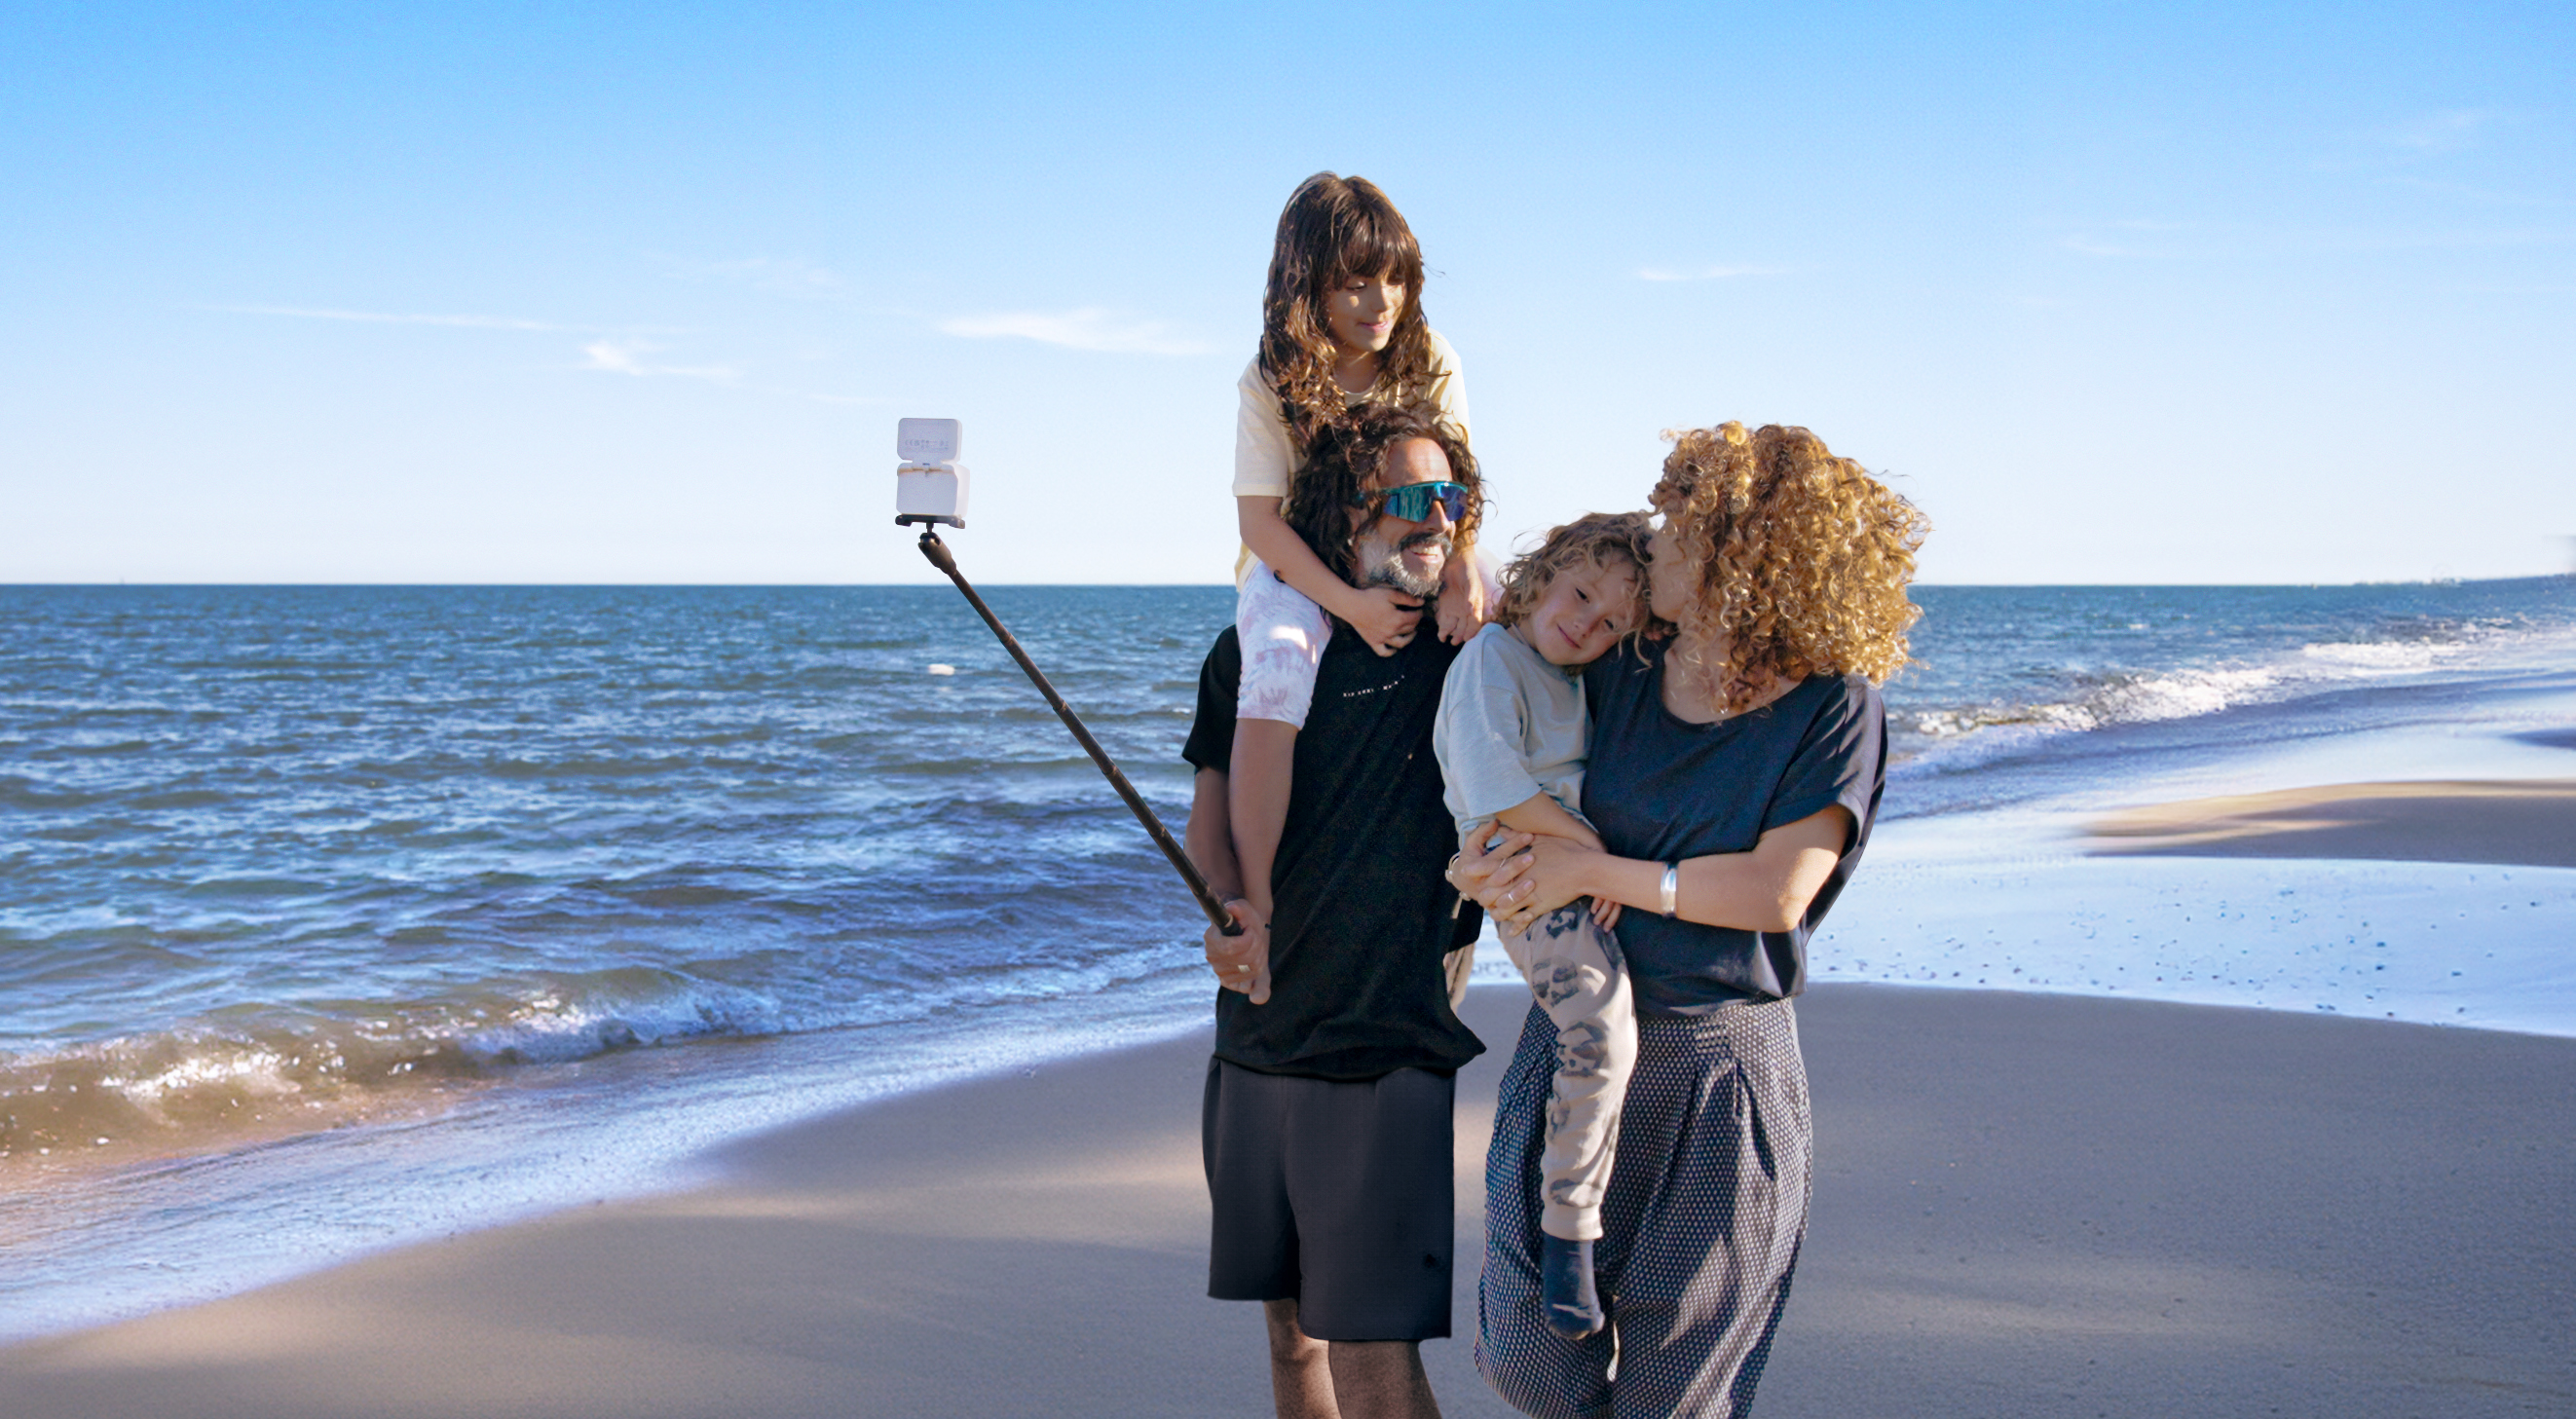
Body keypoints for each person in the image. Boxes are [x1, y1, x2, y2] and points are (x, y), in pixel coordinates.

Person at [1455, 422, 1926, 1417]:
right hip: (1576, 1044)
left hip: (1720, 1072)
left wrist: (1598, 871)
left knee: (1676, 1395)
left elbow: (1774, 891)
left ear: (1736, 552)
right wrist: (1480, 858)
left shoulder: (1833, 708)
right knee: (1530, 1361)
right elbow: (1511, 754)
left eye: (1673, 525)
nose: (1652, 539)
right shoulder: (1619, 662)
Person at [1182, 401, 1490, 1419]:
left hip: (1389, 1037)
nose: (1437, 518)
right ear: (1343, 508)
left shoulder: (1468, 652)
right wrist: (1228, 908)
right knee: (1291, 1337)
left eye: (1451, 497)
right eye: (1413, 496)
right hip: (1259, 1028)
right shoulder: (1253, 650)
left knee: (1372, 1353)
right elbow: (1210, 820)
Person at [1229, 174, 1488, 999]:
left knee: (1506, 630)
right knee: (1275, 669)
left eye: (1395, 278)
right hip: (1301, 567)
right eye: (1354, 282)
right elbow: (1260, 521)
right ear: (1307, 286)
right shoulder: (1271, 377)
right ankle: (1259, 898)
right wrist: (1347, 606)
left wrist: (1462, 572)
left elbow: (1457, 486)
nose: (1381, 302)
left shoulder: (1429, 356)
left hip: (1417, 544)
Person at [1429, 513, 1654, 1341]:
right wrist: (1591, 853)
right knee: (1598, 1026)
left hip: (1567, 861)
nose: (1587, 624)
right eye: (1581, 593)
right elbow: (1493, 783)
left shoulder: (1568, 673)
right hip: (1522, 864)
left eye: (1611, 623)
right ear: (1544, 571)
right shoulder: (1490, 658)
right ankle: (1568, 1232)